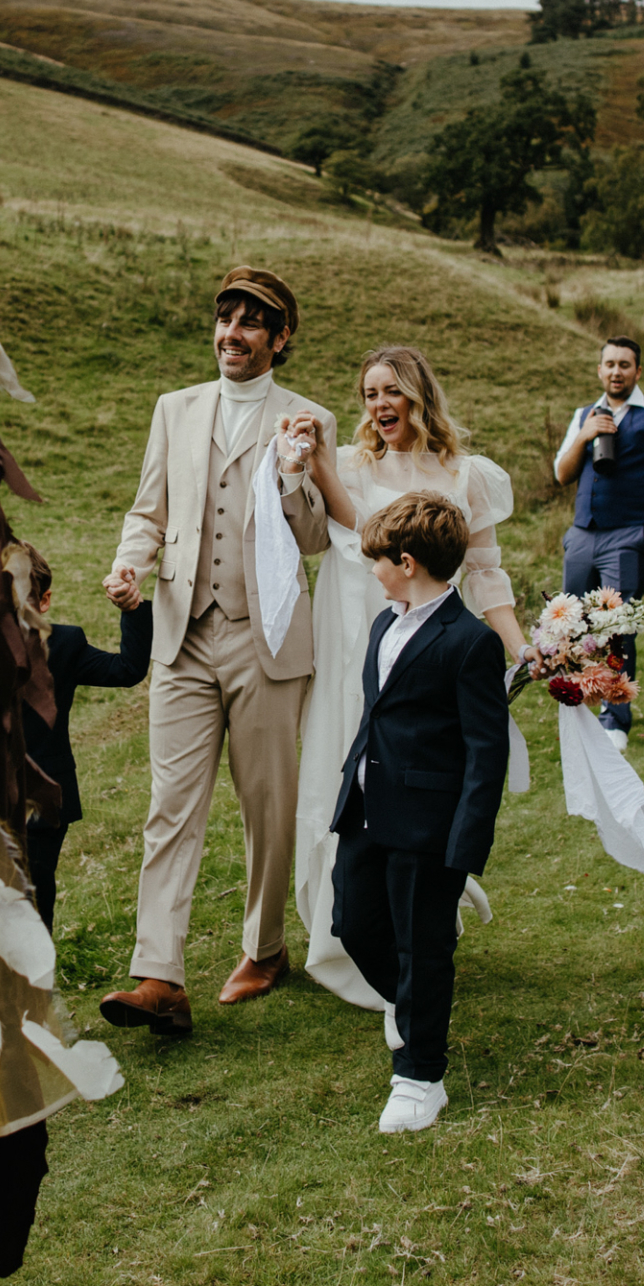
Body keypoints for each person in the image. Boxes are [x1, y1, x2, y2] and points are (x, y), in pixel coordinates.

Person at [100, 266, 338, 1037]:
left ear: (279, 338)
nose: (231, 334)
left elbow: (316, 536)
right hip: (182, 633)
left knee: (267, 804)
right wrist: (130, 565)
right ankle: (159, 975)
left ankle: (265, 948)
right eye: (224, 319)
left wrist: (297, 474)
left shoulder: (309, 417)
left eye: (249, 323)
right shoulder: (175, 408)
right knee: (169, 805)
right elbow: (148, 510)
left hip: (267, 637)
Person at [288, 346, 522, 1011]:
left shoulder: (467, 474)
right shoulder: (354, 465)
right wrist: (319, 463)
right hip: (357, 627)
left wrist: (521, 648)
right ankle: (352, 926)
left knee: (426, 767)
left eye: (391, 391)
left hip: (434, 639)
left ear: (418, 395)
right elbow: (362, 534)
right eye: (369, 394)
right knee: (352, 762)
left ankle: (424, 909)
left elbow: (486, 572)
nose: (379, 405)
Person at [326, 492, 511, 1133]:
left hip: (428, 827)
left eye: (377, 560)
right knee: (352, 924)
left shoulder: (470, 642)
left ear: (406, 562)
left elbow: (486, 754)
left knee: (422, 949)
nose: (372, 570)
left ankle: (420, 1077)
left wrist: (463, 849)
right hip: (366, 809)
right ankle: (412, 1002)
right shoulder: (385, 623)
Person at [552, 337, 644, 749]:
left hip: (629, 534)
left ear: (637, 371)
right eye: (609, 364)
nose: (616, 371)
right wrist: (584, 435)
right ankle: (577, 706)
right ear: (599, 369)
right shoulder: (584, 415)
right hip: (583, 533)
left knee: (616, 629)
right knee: (572, 626)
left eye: (624, 365)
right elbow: (562, 474)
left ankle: (615, 719)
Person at [17, 545, 152, 933]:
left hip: (42, 801)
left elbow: (126, 669)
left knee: (34, 895)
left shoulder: (64, 645)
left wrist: (132, 609)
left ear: (44, 601)